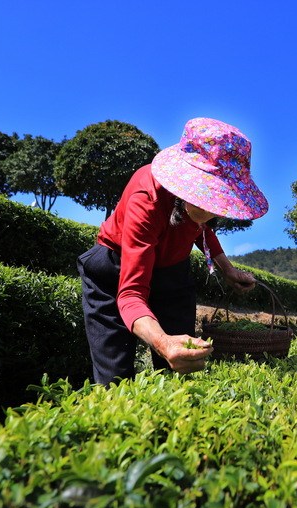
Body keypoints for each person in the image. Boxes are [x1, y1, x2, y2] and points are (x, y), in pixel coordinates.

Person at [77, 118, 268, 385]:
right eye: (207, 200)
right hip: (116, 268)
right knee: (115, 377)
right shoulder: (146, 199)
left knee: (179, 370)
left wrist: (228, 269)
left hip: (171, 273)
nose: (212, 211)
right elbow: (131, 293)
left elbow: (202, 230)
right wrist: (162, 341)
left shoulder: (198, 210)